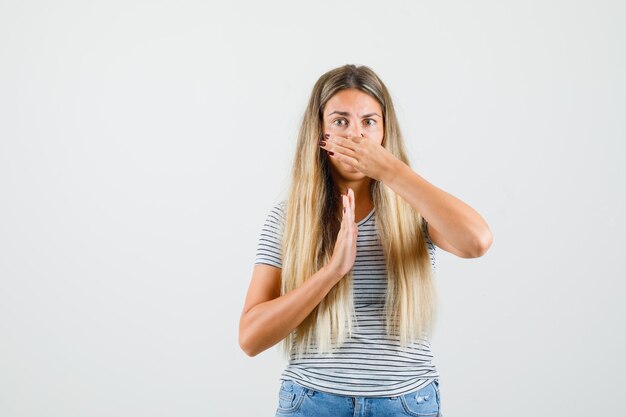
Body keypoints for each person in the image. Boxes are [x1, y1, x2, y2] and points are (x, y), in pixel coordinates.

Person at [239, 64, 493, 417]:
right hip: (313, 403)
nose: (355, 134)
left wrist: (390, 170)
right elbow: (251, 338)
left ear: (385, 132)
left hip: (405, 404)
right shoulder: (288, 218)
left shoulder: (417, 208)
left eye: (369, 122)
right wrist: (331, 272)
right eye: (341, 121)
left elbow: (477, 242)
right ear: (320, 133)